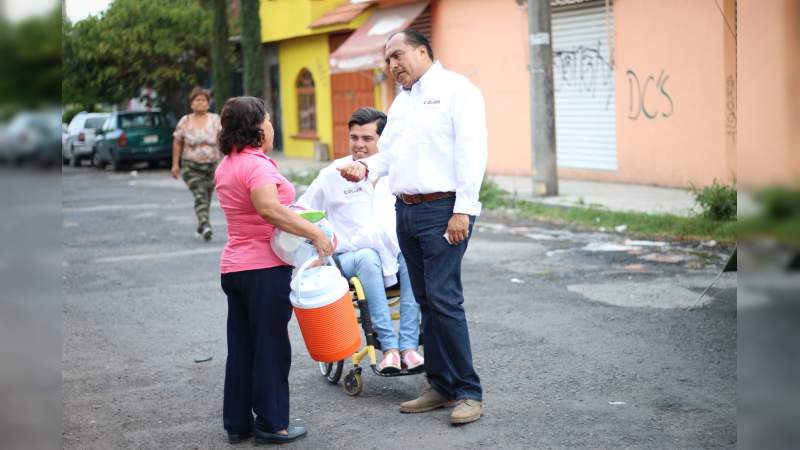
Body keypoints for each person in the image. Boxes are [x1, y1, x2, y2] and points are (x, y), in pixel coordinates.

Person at [339, 29, 487, 425]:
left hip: (443, 209)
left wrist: (463, 210)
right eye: (388, 60)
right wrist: (364, 167)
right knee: (424, 302)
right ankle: (439, 385)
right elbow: (388, 156)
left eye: (398, 56)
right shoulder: (401, 103)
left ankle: (469, 392)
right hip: (405, 211)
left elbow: (472, 153)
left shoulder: (458, 91)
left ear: (423, 51)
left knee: (443, 299)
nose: (392, 66)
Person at [214, 96, 333, 445]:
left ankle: (237, 423)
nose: (271, 126)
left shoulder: (228, 164)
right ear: (257, 126)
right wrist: (313, 232)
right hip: (264, 269)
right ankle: (273, 423)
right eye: (268, 119)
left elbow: (263, 209)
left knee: (242, 348)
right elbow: (267, 209)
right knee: (270, 348)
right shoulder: (257, 166)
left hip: (235, 268)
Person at [297, 107, 424, 374]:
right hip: (351, 258)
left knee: (413, 257)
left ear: (383, 140)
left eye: (367, 139)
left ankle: (409, 347)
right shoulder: (333, 173)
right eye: (354, 137)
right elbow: (301, 211)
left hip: (393, 254)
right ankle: (388, 347)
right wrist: (319, 242)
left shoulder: (396, 173)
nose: (359, 145)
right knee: (368, 256)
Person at [172, 87, 222, 241]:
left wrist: (225, 161)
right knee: (200, 194)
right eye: (197, 100)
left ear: (208, 103)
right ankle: (206, 225)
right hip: (191, 166)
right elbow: (177, 142)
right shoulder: (185, 121)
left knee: (206, 195)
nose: (200, 103)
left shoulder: (215, 120)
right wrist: (175, 165)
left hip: (212, 166)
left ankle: (202, 224)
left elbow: (222, 140)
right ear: (191, 103)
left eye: (204, 100)